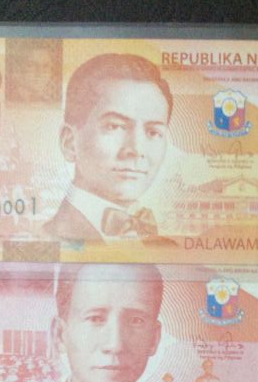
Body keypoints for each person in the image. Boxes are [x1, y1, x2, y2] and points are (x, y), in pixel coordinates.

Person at [33, 263, 193, 382]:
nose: (116, 345)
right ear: (60, 335)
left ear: (154, 338)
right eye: (95, 318)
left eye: (136, 320)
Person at [44, 53, 172, 242]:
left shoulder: (166, 248)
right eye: (114, 126)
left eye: (153, 132)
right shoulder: (48, 239)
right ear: (69, 142)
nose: (137, 150)